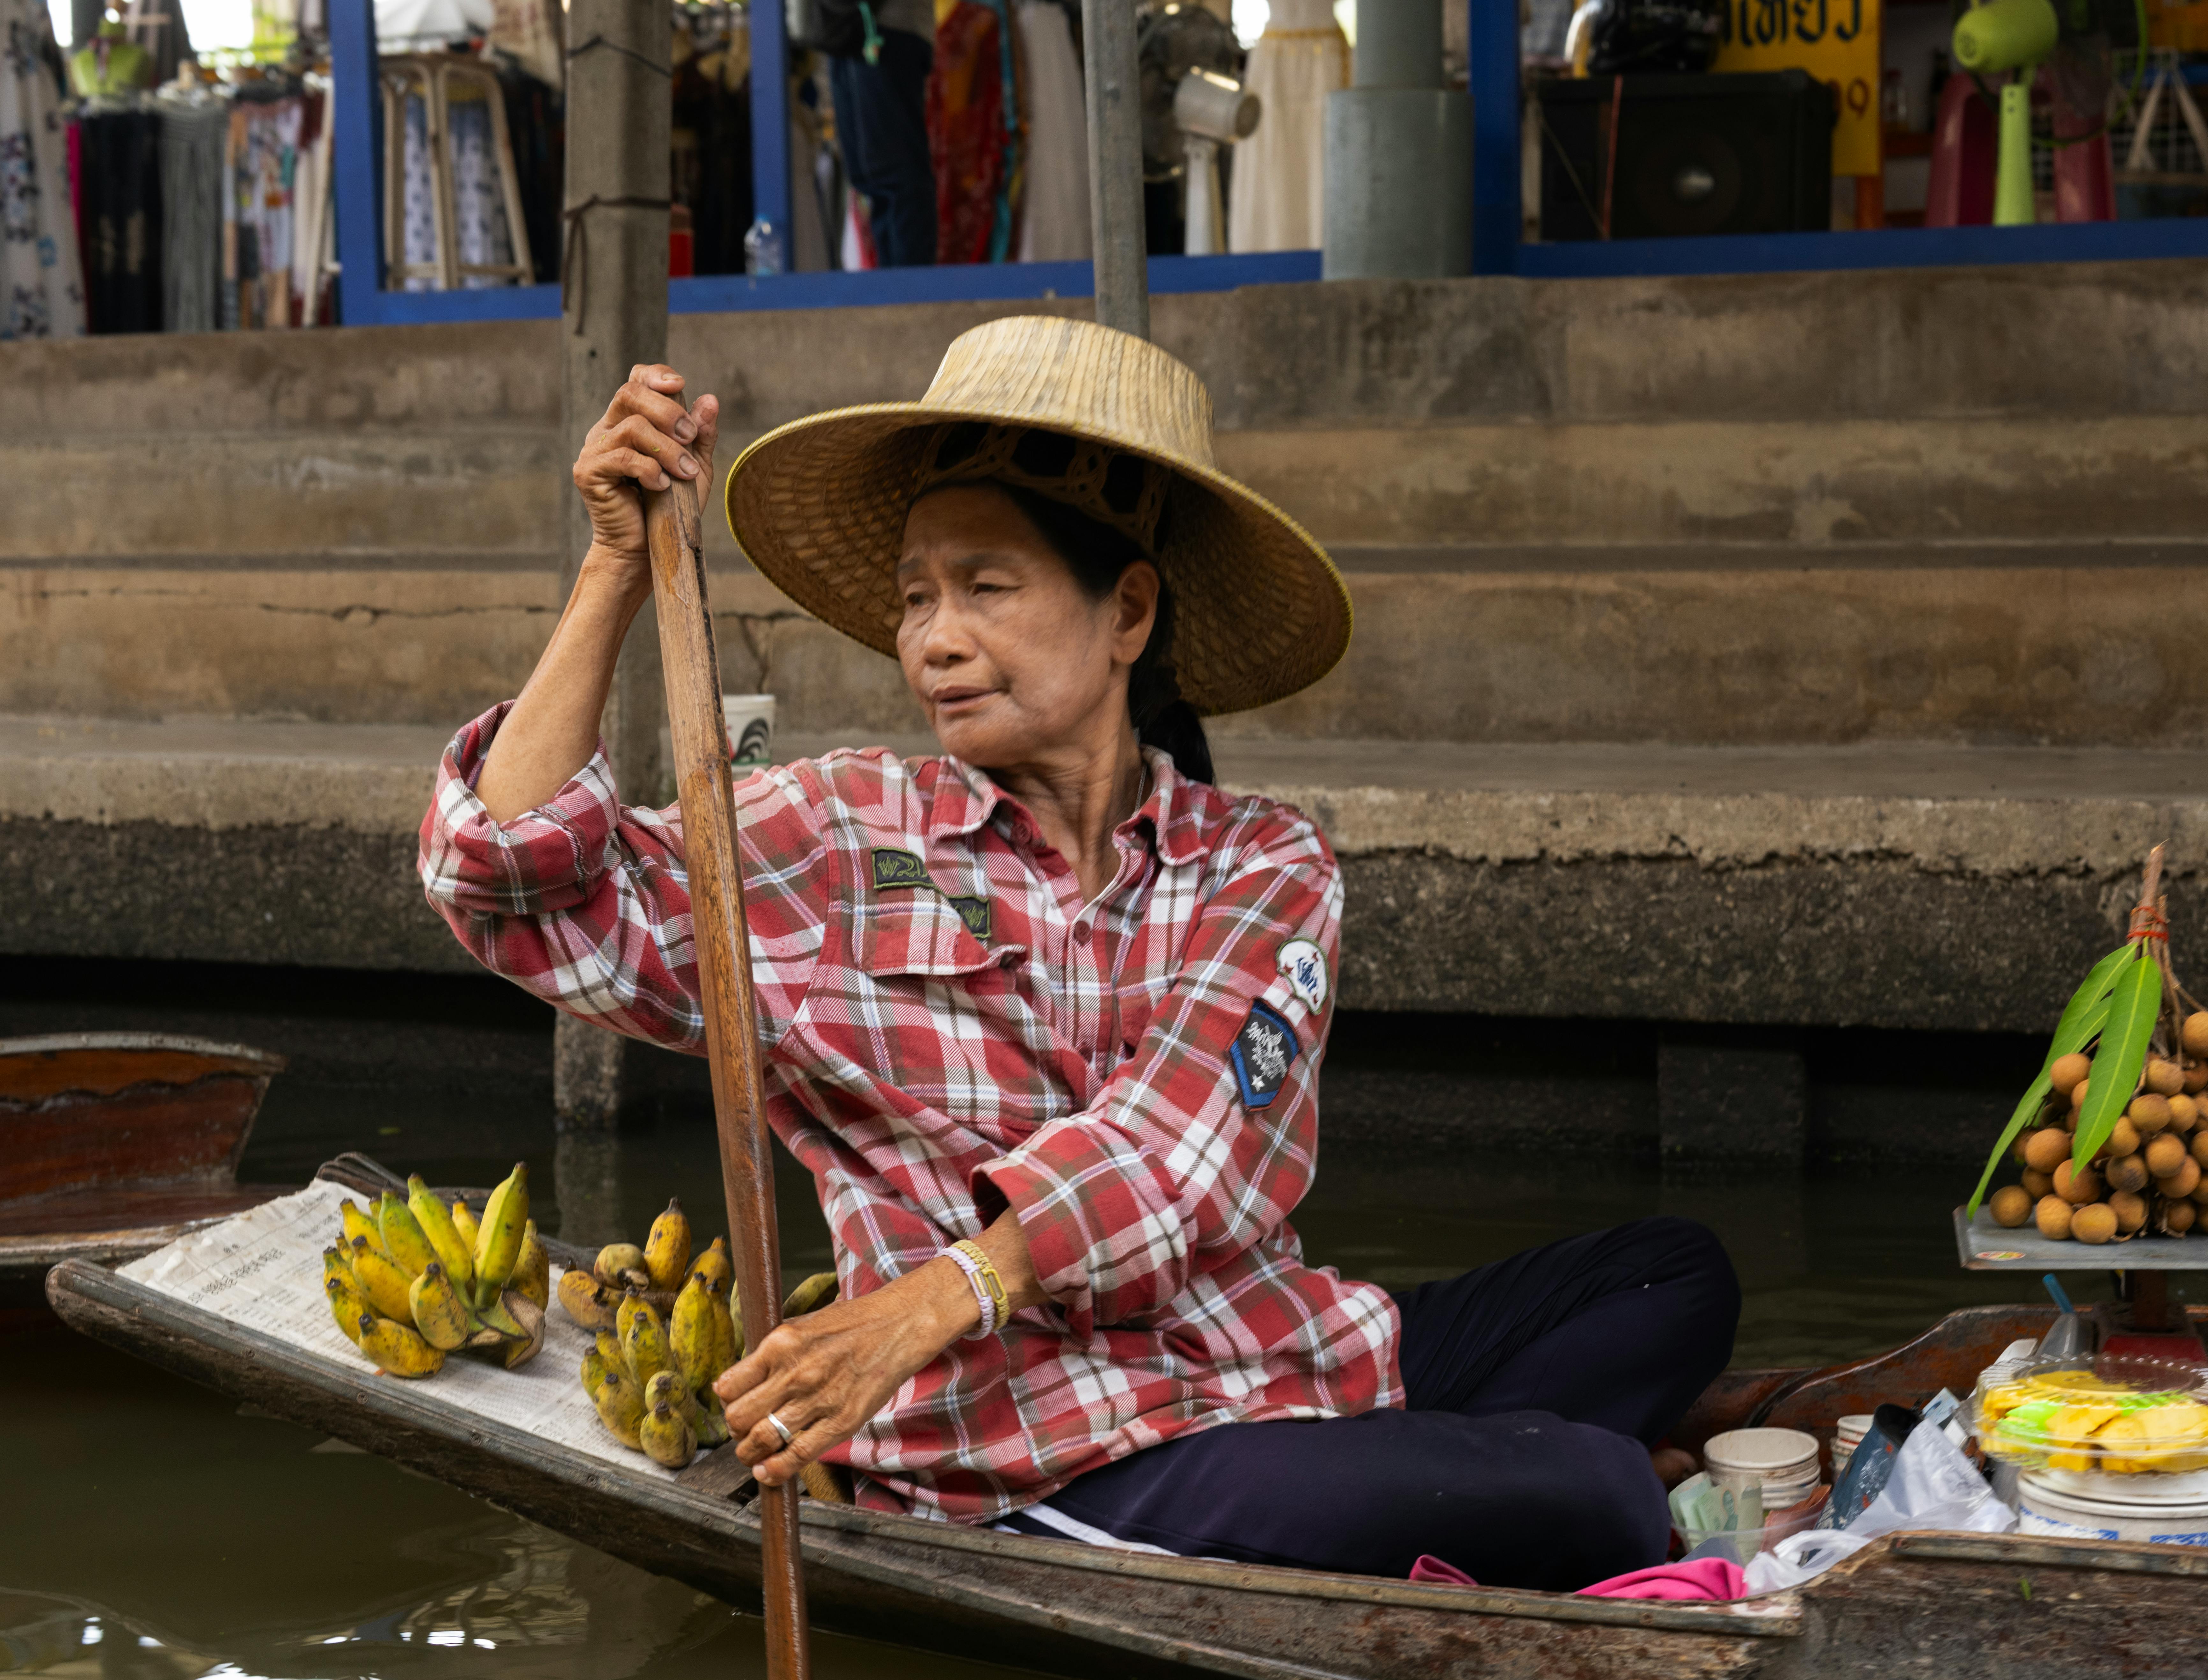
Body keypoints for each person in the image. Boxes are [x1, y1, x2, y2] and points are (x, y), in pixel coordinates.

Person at [417, 317, 1739, 1592]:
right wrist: (612, 572)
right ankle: (1380, 1495)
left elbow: (1184, 1155)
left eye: (987, 589)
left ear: (1127, 613)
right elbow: (513, 884)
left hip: (1252, 1351)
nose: (932, 638)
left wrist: (933, 1295)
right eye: (914, 597)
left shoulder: (1260, 861)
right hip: (1028, 1444)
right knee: (1598, 1493)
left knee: (1674, 1274)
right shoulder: (840, 831)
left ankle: (1370, 1482)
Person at [819, 0, 939, 265]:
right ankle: (895, 286)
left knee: (896, 175)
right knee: (868, 178)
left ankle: (912, 290)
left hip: (886, 29)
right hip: (848, 31)